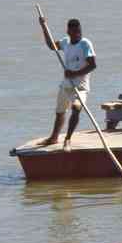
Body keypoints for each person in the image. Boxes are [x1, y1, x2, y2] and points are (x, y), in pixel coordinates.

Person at [39, 17, 96, 150]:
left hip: (80, 86)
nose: (78, 35)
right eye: (75, 32)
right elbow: (51, 46)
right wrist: (44, 26)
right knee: (60, 112)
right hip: (66, 85)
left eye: (79, 32)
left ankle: (68, 139)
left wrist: (74, 73)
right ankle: (53, 137)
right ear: (68, 31)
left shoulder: (85, 44)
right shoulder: (65, 42)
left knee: (76, 108)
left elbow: (92, 65)